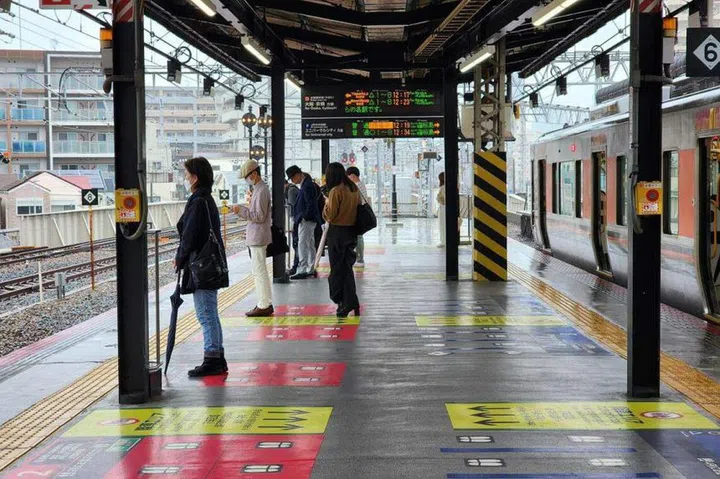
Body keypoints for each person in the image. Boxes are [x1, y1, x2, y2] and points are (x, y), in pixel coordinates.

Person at [175, 157, 229, 377]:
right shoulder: (206, 199)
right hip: (208, 263)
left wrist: (180, 257)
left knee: (206, 314)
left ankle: (212, 358)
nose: (185, 178)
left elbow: (189, 235)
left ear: (195, 177)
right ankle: (217, 357)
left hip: (203, 266)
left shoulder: (199, 201)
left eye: (187, 174)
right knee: (210, 313)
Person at [233, 159, 273, 317]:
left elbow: (259, 216)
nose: (246, 180)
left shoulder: (261, 190)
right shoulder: (258, 189)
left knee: (259, 271)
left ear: (254, 174)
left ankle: (264, 305)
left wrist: (240, 210)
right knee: (260, 271)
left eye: (247, 176)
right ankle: (265, 302)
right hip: (257, 236)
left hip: (258, 236)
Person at [323, 162, 361, 318]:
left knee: (338, 270)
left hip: (337, 233)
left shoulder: (335, 191)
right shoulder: (353, 189)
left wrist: (325, 207)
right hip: (351, 232)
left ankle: (345, 301)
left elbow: (330, 215)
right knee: (346, 268)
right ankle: (351, 301)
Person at [287, 166, 321, 280]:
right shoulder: (307, 184)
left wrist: (304, 217)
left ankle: (302, 269)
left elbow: (310, 203)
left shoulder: (307, 185)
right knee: (310, 244)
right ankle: (311, 267)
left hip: (307, 220)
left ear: (297, 175)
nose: (292, 181)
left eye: (292, 178)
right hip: (310, 219)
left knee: (303, 244)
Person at [346, 166, 367, 267]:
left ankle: (359, 259)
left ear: (353, 176)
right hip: (361, 213)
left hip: (358, 213)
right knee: (359, 236)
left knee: (358, 237)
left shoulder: (356, 186)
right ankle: (359, 258)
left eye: (348, 176)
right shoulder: (360, 184)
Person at [285, 179, 300, 275]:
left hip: (296, 220)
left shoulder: (290, 190)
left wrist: (292, 221)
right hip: (298, 220)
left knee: (296, 243)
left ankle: (296, 266)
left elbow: (291, 207)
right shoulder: (294, 189)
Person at [437, 172, 446, 247]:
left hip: (443, 208)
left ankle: (443, 242)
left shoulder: (442, 187)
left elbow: (439, 198)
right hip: (448, 207)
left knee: (442, 225)